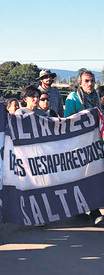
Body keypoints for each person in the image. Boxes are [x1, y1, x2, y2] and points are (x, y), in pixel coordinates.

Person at [64, 71, 104, 226]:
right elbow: (68, 120)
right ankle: (83, 209)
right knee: (80, 177)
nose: (90, 83)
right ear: (79, 83)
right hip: (78, 143)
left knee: (93, 176)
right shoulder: (72, 98)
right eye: (86, 80)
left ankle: (93, 210)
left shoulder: (95, 98)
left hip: (94, 143)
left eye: (92, 80)